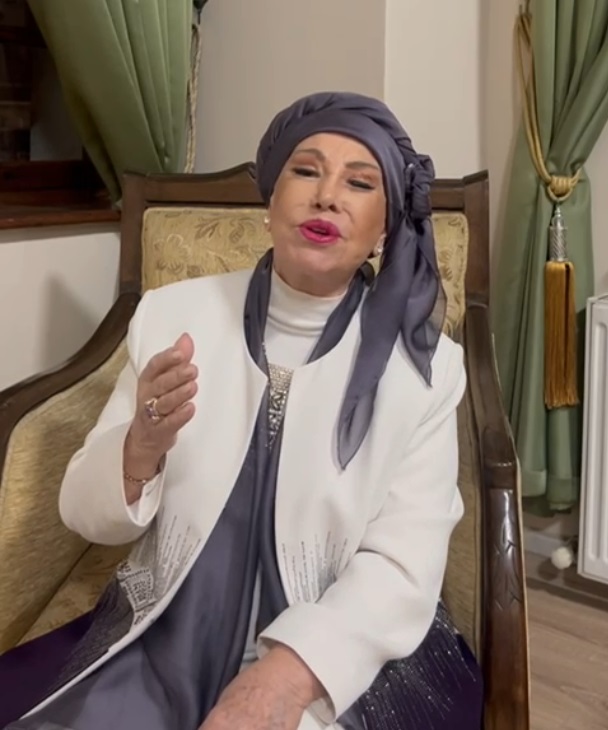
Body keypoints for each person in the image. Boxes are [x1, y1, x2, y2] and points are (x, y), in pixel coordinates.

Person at [0, 92, 483, 730]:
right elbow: (85, 515)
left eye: (359, 183)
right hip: (167, 638)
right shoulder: (173, 317)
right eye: (306, 171)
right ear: (270, 202)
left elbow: (403, 562)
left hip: (334, 651)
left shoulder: (427, 370)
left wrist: (284, 680)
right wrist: (139, 449)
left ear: (385, 229)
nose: (327, 197)